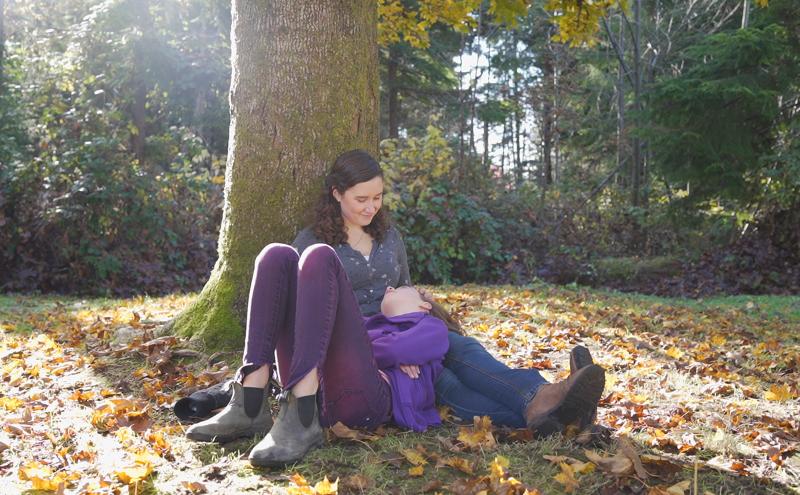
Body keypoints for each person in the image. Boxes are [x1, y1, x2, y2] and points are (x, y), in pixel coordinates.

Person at [186, 150, 446, 467]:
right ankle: (250, 402)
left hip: (363, 391)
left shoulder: (393, 248)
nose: (371, 207)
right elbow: (293, 313)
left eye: (377, 197)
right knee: (275, 255)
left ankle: (302, 410)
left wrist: (398, 350)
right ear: (337, 193)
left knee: (320, 257)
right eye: (361, 198)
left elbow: (410, 303)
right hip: (313, 362)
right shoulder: (311, 240)